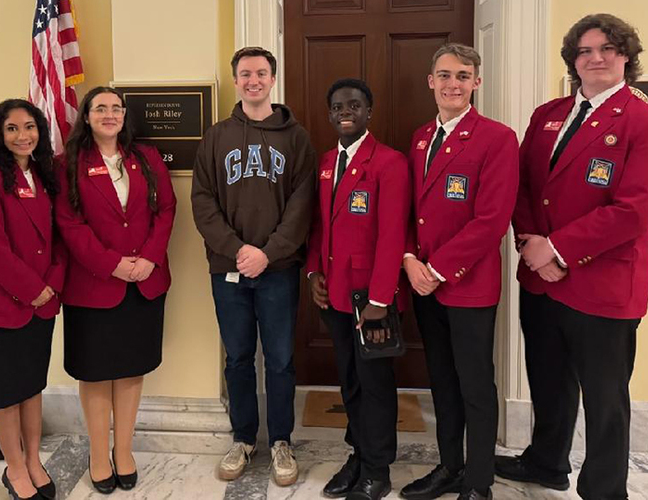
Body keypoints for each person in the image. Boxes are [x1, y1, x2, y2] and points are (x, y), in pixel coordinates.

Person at [499, 14, 648, 500]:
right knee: (549, 382)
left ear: (626, 56)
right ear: (572, 60)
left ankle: (602, 489)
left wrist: (556, 249)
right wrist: (531, 243)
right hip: (540, 277)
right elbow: (523, 187)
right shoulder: (547, 115)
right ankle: (546, 462)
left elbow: (634, 211)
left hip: (603, 286)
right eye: (584, 51)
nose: (595, 58)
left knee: (604, 399)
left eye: (606, 49)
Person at [191, 46, 317, 486]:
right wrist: (237, 249)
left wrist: (269, 252)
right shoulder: (216, 136)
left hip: (278, 270)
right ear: (236, 80)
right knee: (239, 357)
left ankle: (281, 440)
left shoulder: (296, 137)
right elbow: (202, 201)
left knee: (280, 359)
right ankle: (244, 438)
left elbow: (303, 204)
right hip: (227, 269)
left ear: (272, 78)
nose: (253, 81)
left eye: (261, 73)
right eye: (245, 74)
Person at [399, 44, 519, 500]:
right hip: (423, 284)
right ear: (431, 81)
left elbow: (492, 220)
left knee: (474, 386)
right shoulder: (419, 138)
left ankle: (479, 481)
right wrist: (410, 259)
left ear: (476, 83)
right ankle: (449, 467)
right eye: (445, 75)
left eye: (463, 76)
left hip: (467, 285)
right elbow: (410, 210)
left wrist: (436, 268)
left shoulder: (497, 138)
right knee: (442, 382)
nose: (453, 84)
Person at [55, 86, 177, 494]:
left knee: (129, 369)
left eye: (116, 108)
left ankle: (123, 451)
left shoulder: (146, 157)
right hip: (93, 286)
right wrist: (112, 264)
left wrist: (148, 259)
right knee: (95, 372)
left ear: (125, 115)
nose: (110, 114)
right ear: (86, 116)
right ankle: (97, 453)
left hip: (144, 282)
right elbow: (70, 224)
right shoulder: (68, 163)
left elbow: (166, 210)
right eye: (100, 108)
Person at [306, 78, 409, 500]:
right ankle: (359, 454)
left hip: (371, 298)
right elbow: (319, 226)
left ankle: (378, 469)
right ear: (329, 114)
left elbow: (392, 236)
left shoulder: (389, 162)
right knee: (348, 380)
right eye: (337, 106)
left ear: (369, 112)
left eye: (353, 105)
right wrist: (314, 274)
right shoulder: (328, 161)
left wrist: (381, 299)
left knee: (375, 384)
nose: (344, 112)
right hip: (335, 293)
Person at [0, 99, 64, 500]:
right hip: (1, 305)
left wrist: (51, 285)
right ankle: (15, 467)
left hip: (42, 304)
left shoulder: (44, 176)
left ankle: (34, 459)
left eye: (29, 127)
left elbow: (59, 238)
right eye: (12, 129)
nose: (22, 136)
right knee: (5, 393)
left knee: (30, 386)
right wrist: (31, 288)